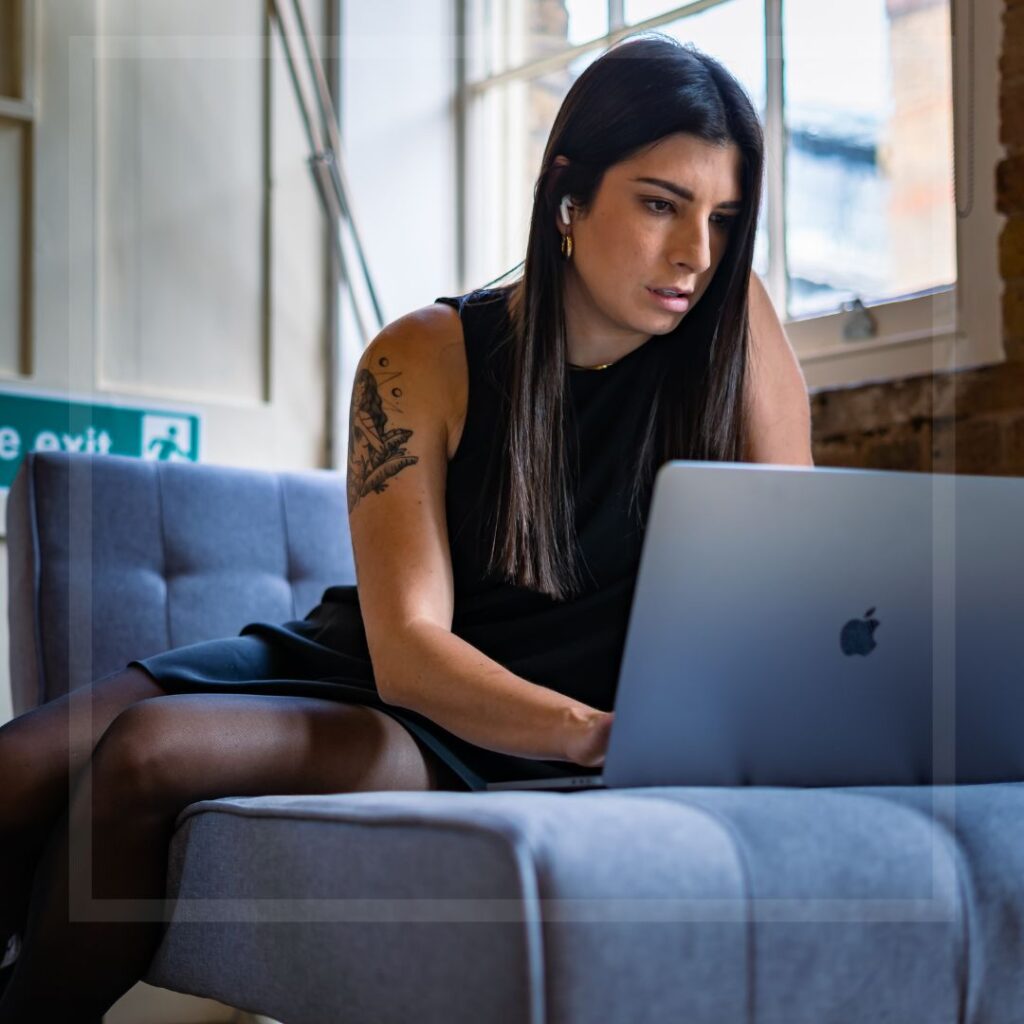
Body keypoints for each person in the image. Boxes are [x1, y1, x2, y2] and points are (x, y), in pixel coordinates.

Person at [0, 31, 812, 1021]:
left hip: (493, 742)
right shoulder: (425, 353)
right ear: (567, 192)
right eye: (659, 204)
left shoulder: (738, 334)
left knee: (151, 752)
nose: (696, 254)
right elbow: (409, 649)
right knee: (16, 764)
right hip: (402, 674)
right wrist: (597, 733)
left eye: (724, 219)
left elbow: (791, 582)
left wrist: (639, 731)